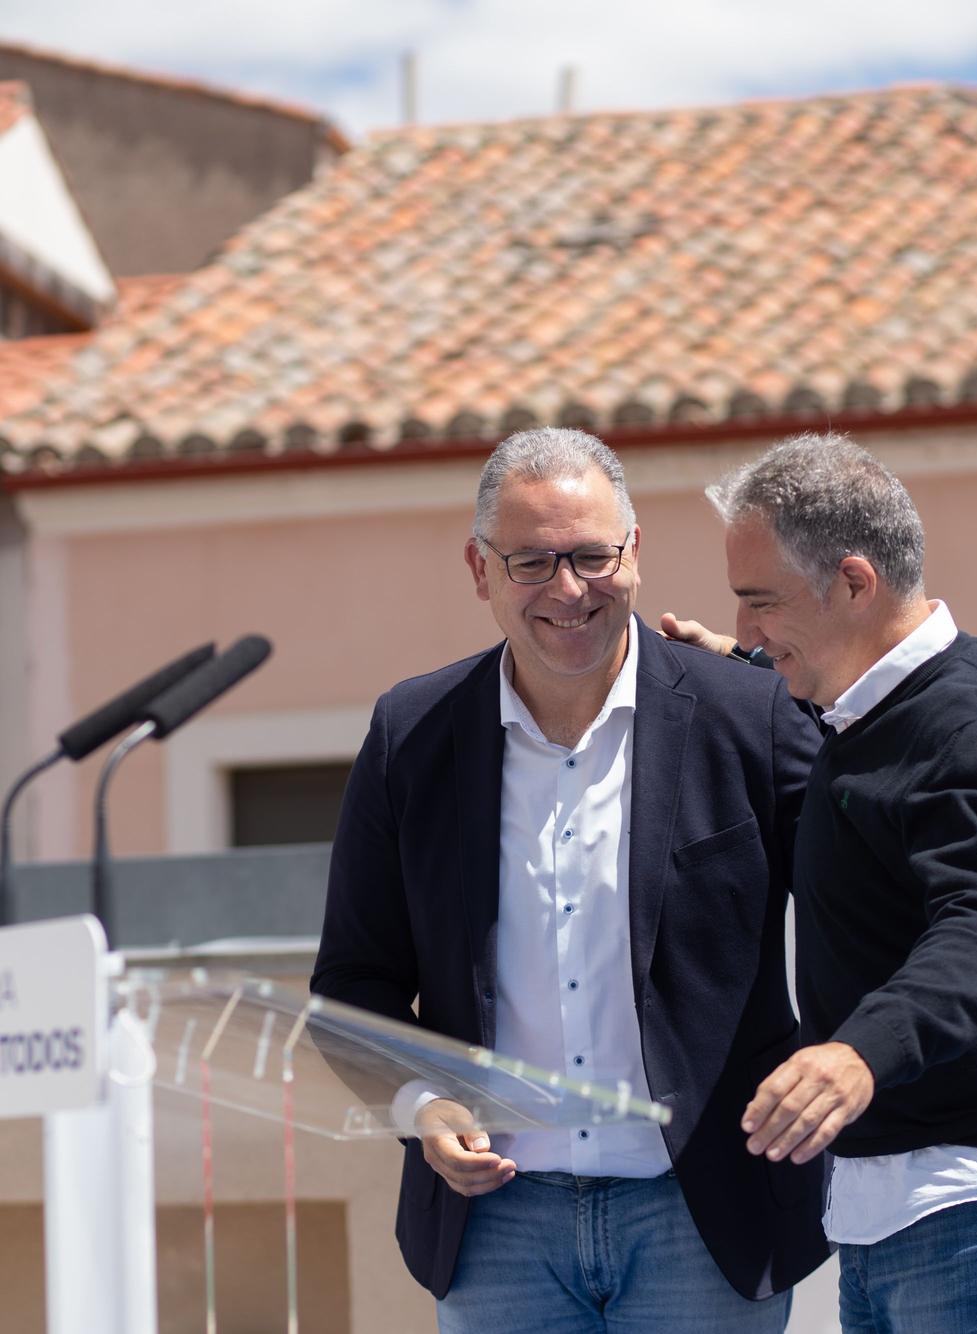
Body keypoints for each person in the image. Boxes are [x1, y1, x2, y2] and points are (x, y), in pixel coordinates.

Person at [312, 427, 826, 1330]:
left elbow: (882, 874)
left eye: (592, 556)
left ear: (636, 554)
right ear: (479, 570)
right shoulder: (411, 735)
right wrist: (419, 1105)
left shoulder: (749, 716)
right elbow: (352, 984)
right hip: (495, 1234)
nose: (568, 590)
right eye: (532, 562)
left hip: (704, 1220)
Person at [682, 431, 977, 1331]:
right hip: (913, 1212)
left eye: (761, 604)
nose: (750, 632)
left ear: (853, 582)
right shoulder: (876, 720)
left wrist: (855, 1054)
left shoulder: (965, 722)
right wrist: (746, 667)